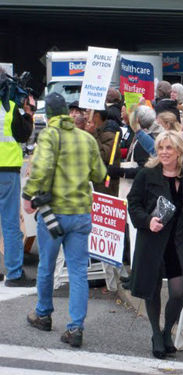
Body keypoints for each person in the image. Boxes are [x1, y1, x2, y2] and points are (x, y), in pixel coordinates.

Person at [22, 92, 107, 347]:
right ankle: (75, 328)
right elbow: (99, 173)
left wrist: (29, 193)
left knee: (47, 266)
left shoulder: (49, 135)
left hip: (54, 213)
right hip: (81, 213)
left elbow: (43, 167)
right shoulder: (86, 138)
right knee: (79, 270)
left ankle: (43, 313)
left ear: (48, 115)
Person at [127, 130, 183, 359]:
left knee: (177, 291)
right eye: (161, 148)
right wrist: (147, 221)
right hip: (154, 242)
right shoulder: (147, 174)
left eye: (169, 148)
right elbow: (133, 203)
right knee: (152, 289)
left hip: (179, 241)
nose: (164, 152)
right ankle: (156, 334)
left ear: (178, 151)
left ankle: (168, 331)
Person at [0, 66, 36, 287]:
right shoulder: (10, 108)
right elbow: (24, 135)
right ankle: (13, 273)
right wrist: (29, 113)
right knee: (10, 223)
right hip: (6, 172)